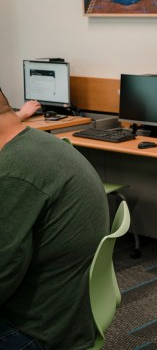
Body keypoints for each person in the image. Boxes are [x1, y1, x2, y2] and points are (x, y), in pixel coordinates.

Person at [0, 88, 108, 350]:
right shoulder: (38, 144)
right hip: (68, 312)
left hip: (38, 330)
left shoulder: (14, 172)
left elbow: (3, 274)